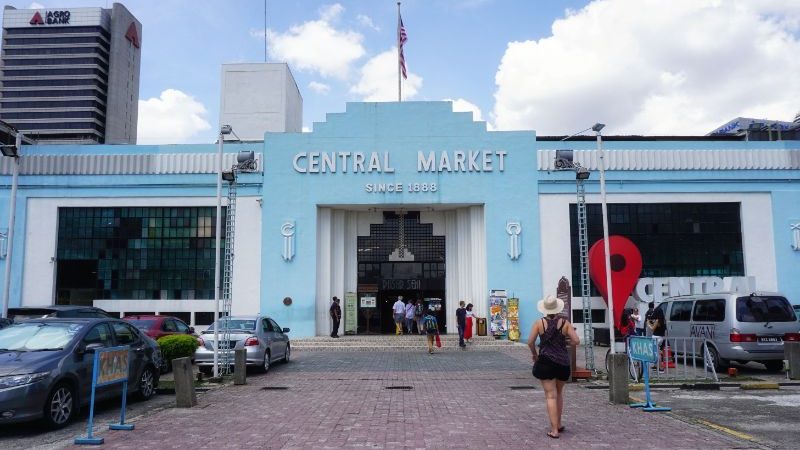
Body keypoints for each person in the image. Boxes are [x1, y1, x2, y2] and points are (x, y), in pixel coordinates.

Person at [528, 295, 580, 439]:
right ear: (557, 308)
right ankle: (559, 424)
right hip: (563, 363)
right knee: (559, 393)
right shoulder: (565, 323)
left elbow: (530, 342)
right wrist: (564, 342)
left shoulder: (539, 323)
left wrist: (534, 354)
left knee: (550, 396)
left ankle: (554, 430)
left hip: (545, 362)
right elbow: (576, 341)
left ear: (544, 309)